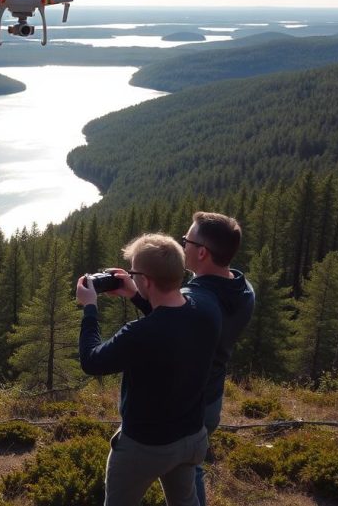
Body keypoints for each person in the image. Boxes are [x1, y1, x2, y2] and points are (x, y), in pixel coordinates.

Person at [77, 233, 221, 506]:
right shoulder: (206, 310)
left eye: (134, 273)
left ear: (145, 280)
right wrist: (135, 294)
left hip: (144, 446)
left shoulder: (139, 334)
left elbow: (91, 361)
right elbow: (172, 320)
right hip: (192, 438)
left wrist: (90, 308)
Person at [180, 212, 255, 506]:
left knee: (183, 472)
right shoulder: (243, 289)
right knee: (192, 466)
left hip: (187, 404)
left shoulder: (194, 300)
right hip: (213, 399)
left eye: (186, 240)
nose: (181, 244)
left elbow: (168, 327)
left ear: (201, 252)